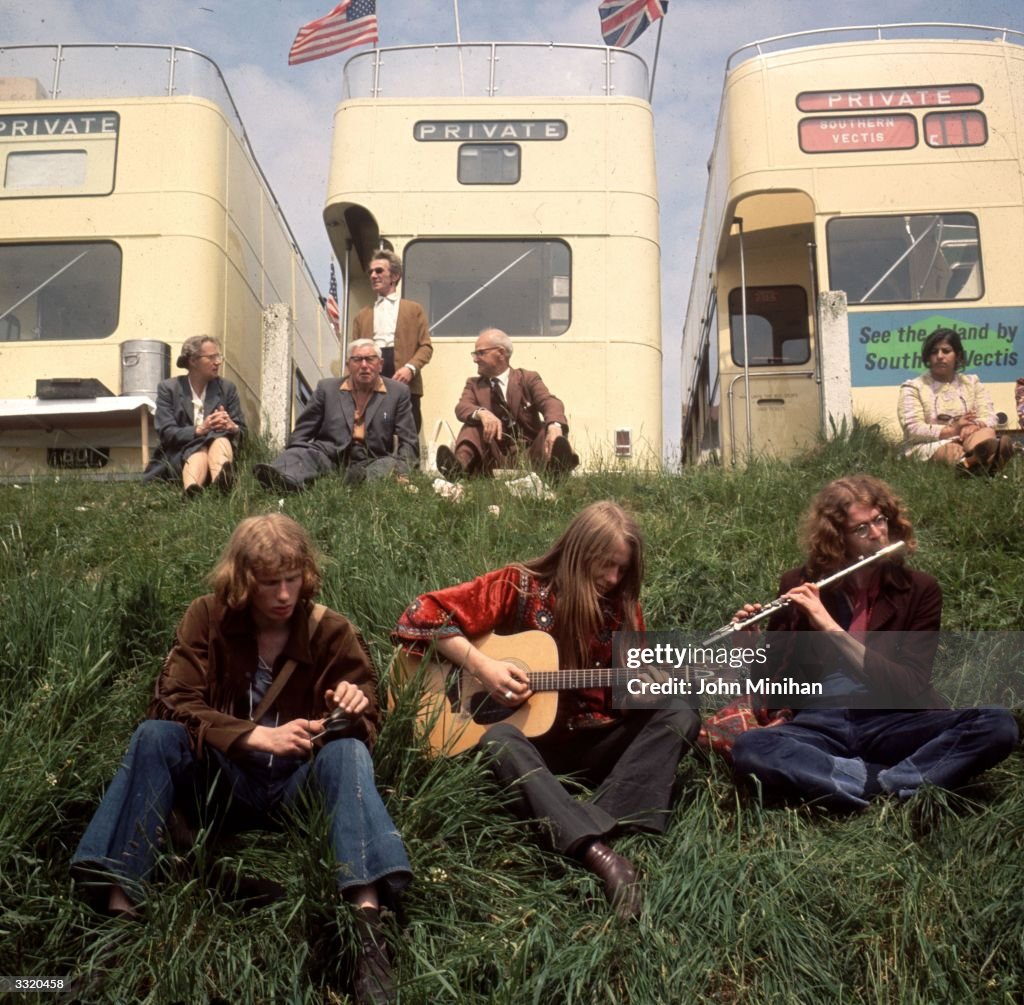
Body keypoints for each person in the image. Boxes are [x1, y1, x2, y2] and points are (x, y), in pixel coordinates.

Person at [71, 514, 410, 1004]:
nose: (284, 595)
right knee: (153, 736)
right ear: (242, 580)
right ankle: (118, 920)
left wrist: (348, 711)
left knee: (350, 753)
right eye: (269, 583)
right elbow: (171, 700)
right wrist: (253, 737)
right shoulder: (206, 617)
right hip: (222, 784)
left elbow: (369, 709)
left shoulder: (331, 631)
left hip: (298, 787)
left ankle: (367, 932)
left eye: (292, 580)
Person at [393, 501, 698, 920]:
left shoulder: (624, 608)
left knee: (681, 713)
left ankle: (568, 819)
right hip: (531, 749)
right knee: (498, 740)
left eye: (622, 570)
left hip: (590, 743)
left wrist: (652, 689)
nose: (612, 579)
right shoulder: (518, 585)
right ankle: (600, 854)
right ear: (578, 553)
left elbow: (625, 702)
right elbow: (421, 613)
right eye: (605, 565)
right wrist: (483, 666)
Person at [730, 475, 1018, 812]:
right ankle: (887, 780)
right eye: (862, 529)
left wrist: (828, 625)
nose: (878, 533)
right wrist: (747, 647)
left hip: (892, 719)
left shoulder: (920, 590)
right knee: (751, 747)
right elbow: (776, 686)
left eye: (880, 521)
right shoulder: (799, 584)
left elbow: (909, 684)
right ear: (838, 539)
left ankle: (860, 782)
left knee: (997, 725)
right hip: (822, 722)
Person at [253, 340, 418, 492]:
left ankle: (359, 484)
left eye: (370, 359)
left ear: (380, 364)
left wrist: (403, 469)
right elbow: (303, 431)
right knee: (303, 454)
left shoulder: (398, 392)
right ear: (348, 365)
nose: (364, 365)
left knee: (387, 465)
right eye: (357, 360)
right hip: (329, 455)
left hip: (373, 458)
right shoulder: (327, 388)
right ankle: (283, 478)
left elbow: (409, 441)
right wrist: (295, 452)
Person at [435, 328, 579, 479]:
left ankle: (557, 469)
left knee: (548, 428)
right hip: (492, 457)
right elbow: (462, 407)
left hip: (530, 455)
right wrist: (482, 413)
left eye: (480, 353)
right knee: (472, 423)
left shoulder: (528, 378)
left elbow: (550, 402)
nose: (475, 359)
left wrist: (554, 428)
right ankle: (457, 469)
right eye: (475, 354)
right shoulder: (473, 384)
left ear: (501, 353)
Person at [898, 327, 1013, 474]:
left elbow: (990, 417)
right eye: (934, 352)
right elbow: (912, 429)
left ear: (957, 355)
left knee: (986, 432)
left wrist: (975, 426)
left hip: (970, 438)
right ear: (927, 357)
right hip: (929, 445)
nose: (940, 356)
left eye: (946, 351)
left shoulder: (972, 383)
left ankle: (976, 461)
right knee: (952, 450)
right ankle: (982, 464)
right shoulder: (913, 387)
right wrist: (952, 430)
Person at [147, 335, 246, 496]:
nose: (218, 362)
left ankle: (221, 484)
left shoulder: (227, 388)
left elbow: (243, 431)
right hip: (179, 456)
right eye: (211, 357)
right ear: (193, 361)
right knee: (199, 447)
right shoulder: (169, 388)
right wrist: (199, 430)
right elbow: (166, 432)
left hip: (218, 450)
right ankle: (192, 492)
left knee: (220, 438)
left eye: (218, 356)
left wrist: (232, 427)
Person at [352, 250, 432, 432]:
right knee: (373, 429)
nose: (373, 275)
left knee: (408, 430)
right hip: (372, 374)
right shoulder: (362, 316)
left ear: (394, 276)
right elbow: (354, 354)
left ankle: (407, 461)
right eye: (371, 272)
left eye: (379, 271)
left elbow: (426, 347)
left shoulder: (414, 309)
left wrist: (410, 368)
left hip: (405, 378)